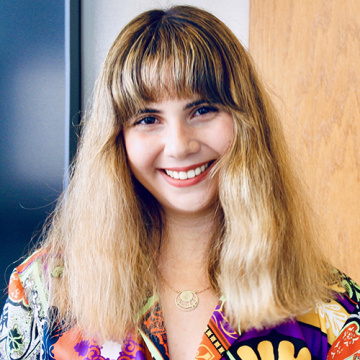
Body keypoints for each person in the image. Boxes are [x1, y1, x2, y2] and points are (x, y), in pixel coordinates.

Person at [0, 5, 359, 360]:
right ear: (116, 139)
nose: (179, 145)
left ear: (248, 123)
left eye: (202, 110)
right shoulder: (45, 291)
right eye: (147, 118)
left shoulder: (336, 312)